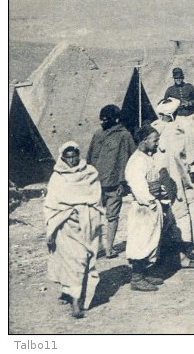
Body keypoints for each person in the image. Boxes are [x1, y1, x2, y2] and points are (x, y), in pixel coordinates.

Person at [44, 141, 104, 318]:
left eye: (74, 155)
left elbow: (96, 198)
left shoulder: (90, 173)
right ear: (62, 157)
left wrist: (92, 215)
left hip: (88, 222)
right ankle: (76, 301)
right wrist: (51, 227)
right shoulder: (57, 177)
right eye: (68, 157)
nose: (72, 160)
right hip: (65, 224)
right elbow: (50, 204)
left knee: (86, 259)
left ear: (79, 155)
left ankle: (71, 292)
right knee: (73, 261)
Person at [152, 98, 194, 270]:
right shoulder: (176, 130)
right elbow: (183, 156)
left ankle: (163, 254)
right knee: (179, 212)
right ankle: (181, 255)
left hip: (157, 176)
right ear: (174, 114)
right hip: (174, 175)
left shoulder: (153, 128)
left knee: (163, 213)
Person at [86, 104, 134, 259]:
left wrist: (124, 183)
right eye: (101, 120)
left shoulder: (124, 135)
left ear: (115, 119)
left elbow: (130, 159)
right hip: (96, 183)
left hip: (115, 183)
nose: (102, 122)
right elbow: (90, 157)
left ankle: (109, 248)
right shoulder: (98, 134)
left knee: (112, 216)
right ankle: (96, 247)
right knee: (94, 216)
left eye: (106, 119)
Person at [124, 123, 164, 292]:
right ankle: (137, 278)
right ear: (144, 141)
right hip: (143, 208)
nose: (157, 143)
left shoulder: (148, 158)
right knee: (141, 242)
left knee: (151, 241)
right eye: (155, 140)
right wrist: (150, 200)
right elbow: (139, 186)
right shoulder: (136, 161)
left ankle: (144, 273)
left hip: (152, 205)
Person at [164, 67, 194, 145]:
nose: (178, 79)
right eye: (176, 78)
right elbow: (165, 104)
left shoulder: (189, 87)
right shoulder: (170, 90)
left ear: (183, 77)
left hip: (191, 116)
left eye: (180, 77)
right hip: (178, 117)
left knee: (193, 138)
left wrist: (189, 103)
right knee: (180, 140)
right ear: (174, 78)